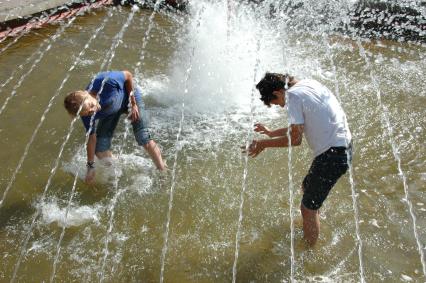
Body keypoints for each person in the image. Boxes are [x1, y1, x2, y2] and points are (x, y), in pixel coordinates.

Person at [245, 72, 352, 246]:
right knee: (307, 187)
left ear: (279, 93)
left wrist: (264, 144)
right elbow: (299, 127)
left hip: (332, 155)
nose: (281, 106)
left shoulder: (292, 96)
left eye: (276, 103)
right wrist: (271, 133)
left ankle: (309, 252)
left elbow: (296, 139)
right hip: (342, 148)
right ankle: (314, 222)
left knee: (307, 209)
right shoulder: (308, 84)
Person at [64, 70, 166, 184]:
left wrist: (133, 104)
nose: (93, 111)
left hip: (130, 99)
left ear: (87, 95)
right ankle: (118, 170)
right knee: (100, 149)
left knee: (143, 138)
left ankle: (162, 171)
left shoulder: (105, 81)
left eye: (91, 105)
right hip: (111, 109)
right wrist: (90, 167)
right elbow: (91, 138)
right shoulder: (85, 114)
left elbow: (128, 75)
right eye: (88, 113)